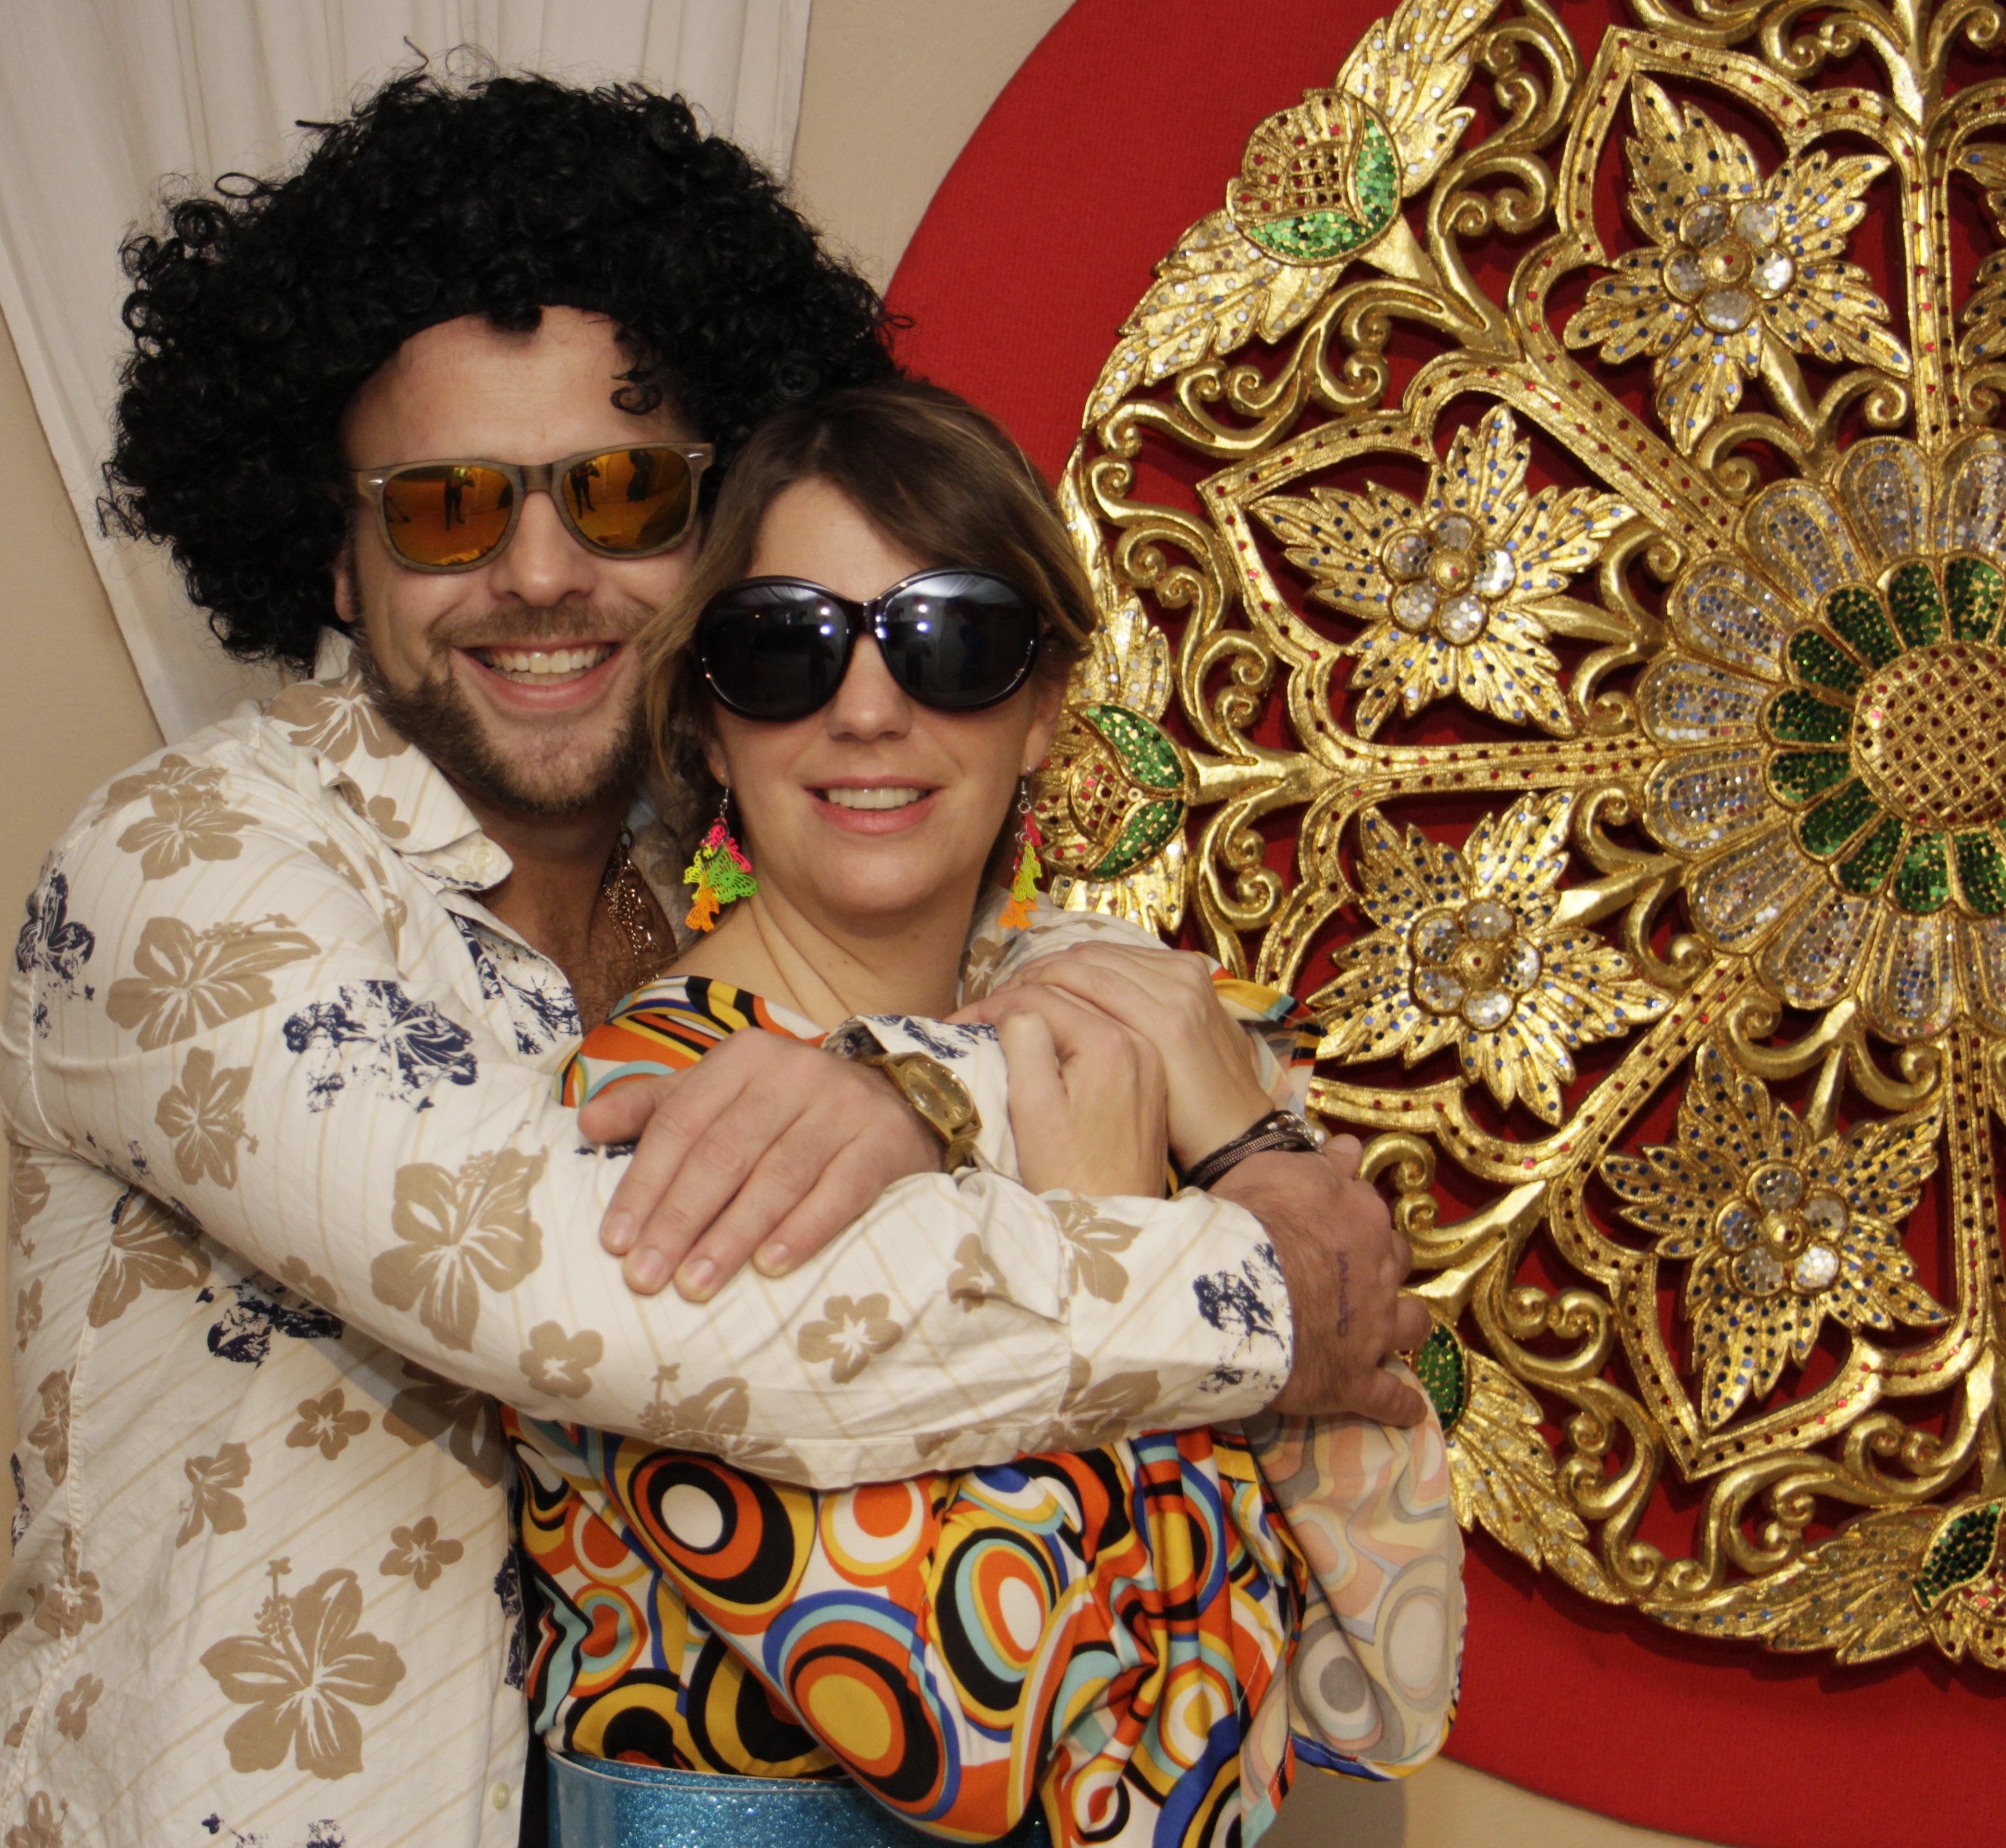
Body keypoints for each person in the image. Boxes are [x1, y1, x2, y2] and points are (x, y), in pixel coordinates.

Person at [0, 69, 1430, 1848]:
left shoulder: (731, 875)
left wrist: (1216, 1120)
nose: (540, 572)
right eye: (447, 509)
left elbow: (1356, 1607)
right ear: (337, 556)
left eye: (624, 492)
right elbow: (613, 1299)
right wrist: (1242, 1272)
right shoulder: (187, 867)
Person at [511, 381, 1460, 1847]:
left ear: (1042, 712)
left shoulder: (1120, 1029)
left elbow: (1376, 1674)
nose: (867, 709)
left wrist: (1248, 1147)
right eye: (785, 649)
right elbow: (992, 1736)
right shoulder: (663, 1120)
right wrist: (1103, 1240)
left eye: (952, 641)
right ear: (706, 722)